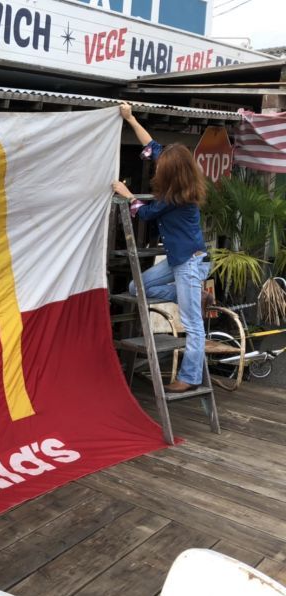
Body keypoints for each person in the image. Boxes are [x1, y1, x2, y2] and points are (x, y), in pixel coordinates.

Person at [112, 103, 212, 393]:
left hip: (190, 263)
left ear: (172, 173)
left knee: (193, 324)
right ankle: (191, 296)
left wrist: (128, 195)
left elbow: (144, 213)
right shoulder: (178, 179)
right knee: (136, 288)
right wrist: (130, 118)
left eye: (161, 167)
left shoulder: (176, 198)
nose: (157, 166)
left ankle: (189, 378)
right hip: (179, 260)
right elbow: (152, 145)